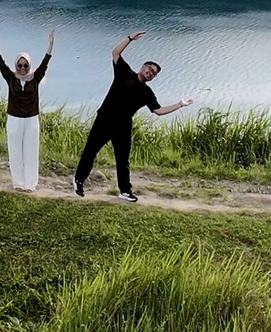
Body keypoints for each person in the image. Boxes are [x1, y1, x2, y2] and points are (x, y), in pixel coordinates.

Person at [72, 28, 189, 202]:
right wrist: (129, 38)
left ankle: (125, 191)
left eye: (154, 74)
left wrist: (180, 104)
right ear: (143, 67)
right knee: (90, 151)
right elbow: (115, 53)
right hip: (105, 119)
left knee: (123, 160)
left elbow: (158, 111)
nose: (151, 73)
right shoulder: (124, 73)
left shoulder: (147, 93)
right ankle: (79, 180)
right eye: (150, 69)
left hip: (123, 126)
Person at [0, 26, 54, 192]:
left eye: (25, 66)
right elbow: (1, 64)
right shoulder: (10, 77)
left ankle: (30, 184)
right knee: (14, 151)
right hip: (14, 118)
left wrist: (50, 45)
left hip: (32, 119)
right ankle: (18, 183)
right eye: (19, 65)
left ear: (29, 66)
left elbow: (45, 64)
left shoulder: (35, 78)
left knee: (31, 151)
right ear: (16, 66)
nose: (22, 68)